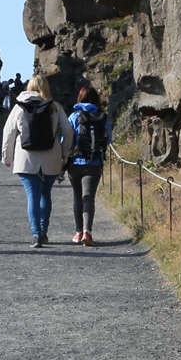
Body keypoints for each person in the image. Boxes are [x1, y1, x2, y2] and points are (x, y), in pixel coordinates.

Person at [2, 74, 73, 249]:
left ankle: (36, 235)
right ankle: (43, 231)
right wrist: (65, 153)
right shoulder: (54, 107)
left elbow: (8, 132)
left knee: (32, 196)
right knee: (45, 194)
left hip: (25, 159)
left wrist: (7, 156)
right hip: (51, 157)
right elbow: (68, 132)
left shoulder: (19, 107)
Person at [65, 83, 112, 245]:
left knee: (78, 197)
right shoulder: (103, 116)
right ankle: (87, 232)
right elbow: (109, 139)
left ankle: (78, 233)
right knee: (89, 198)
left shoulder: (73, 116)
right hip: (94, 163)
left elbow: (65, 140)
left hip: (75, 163)